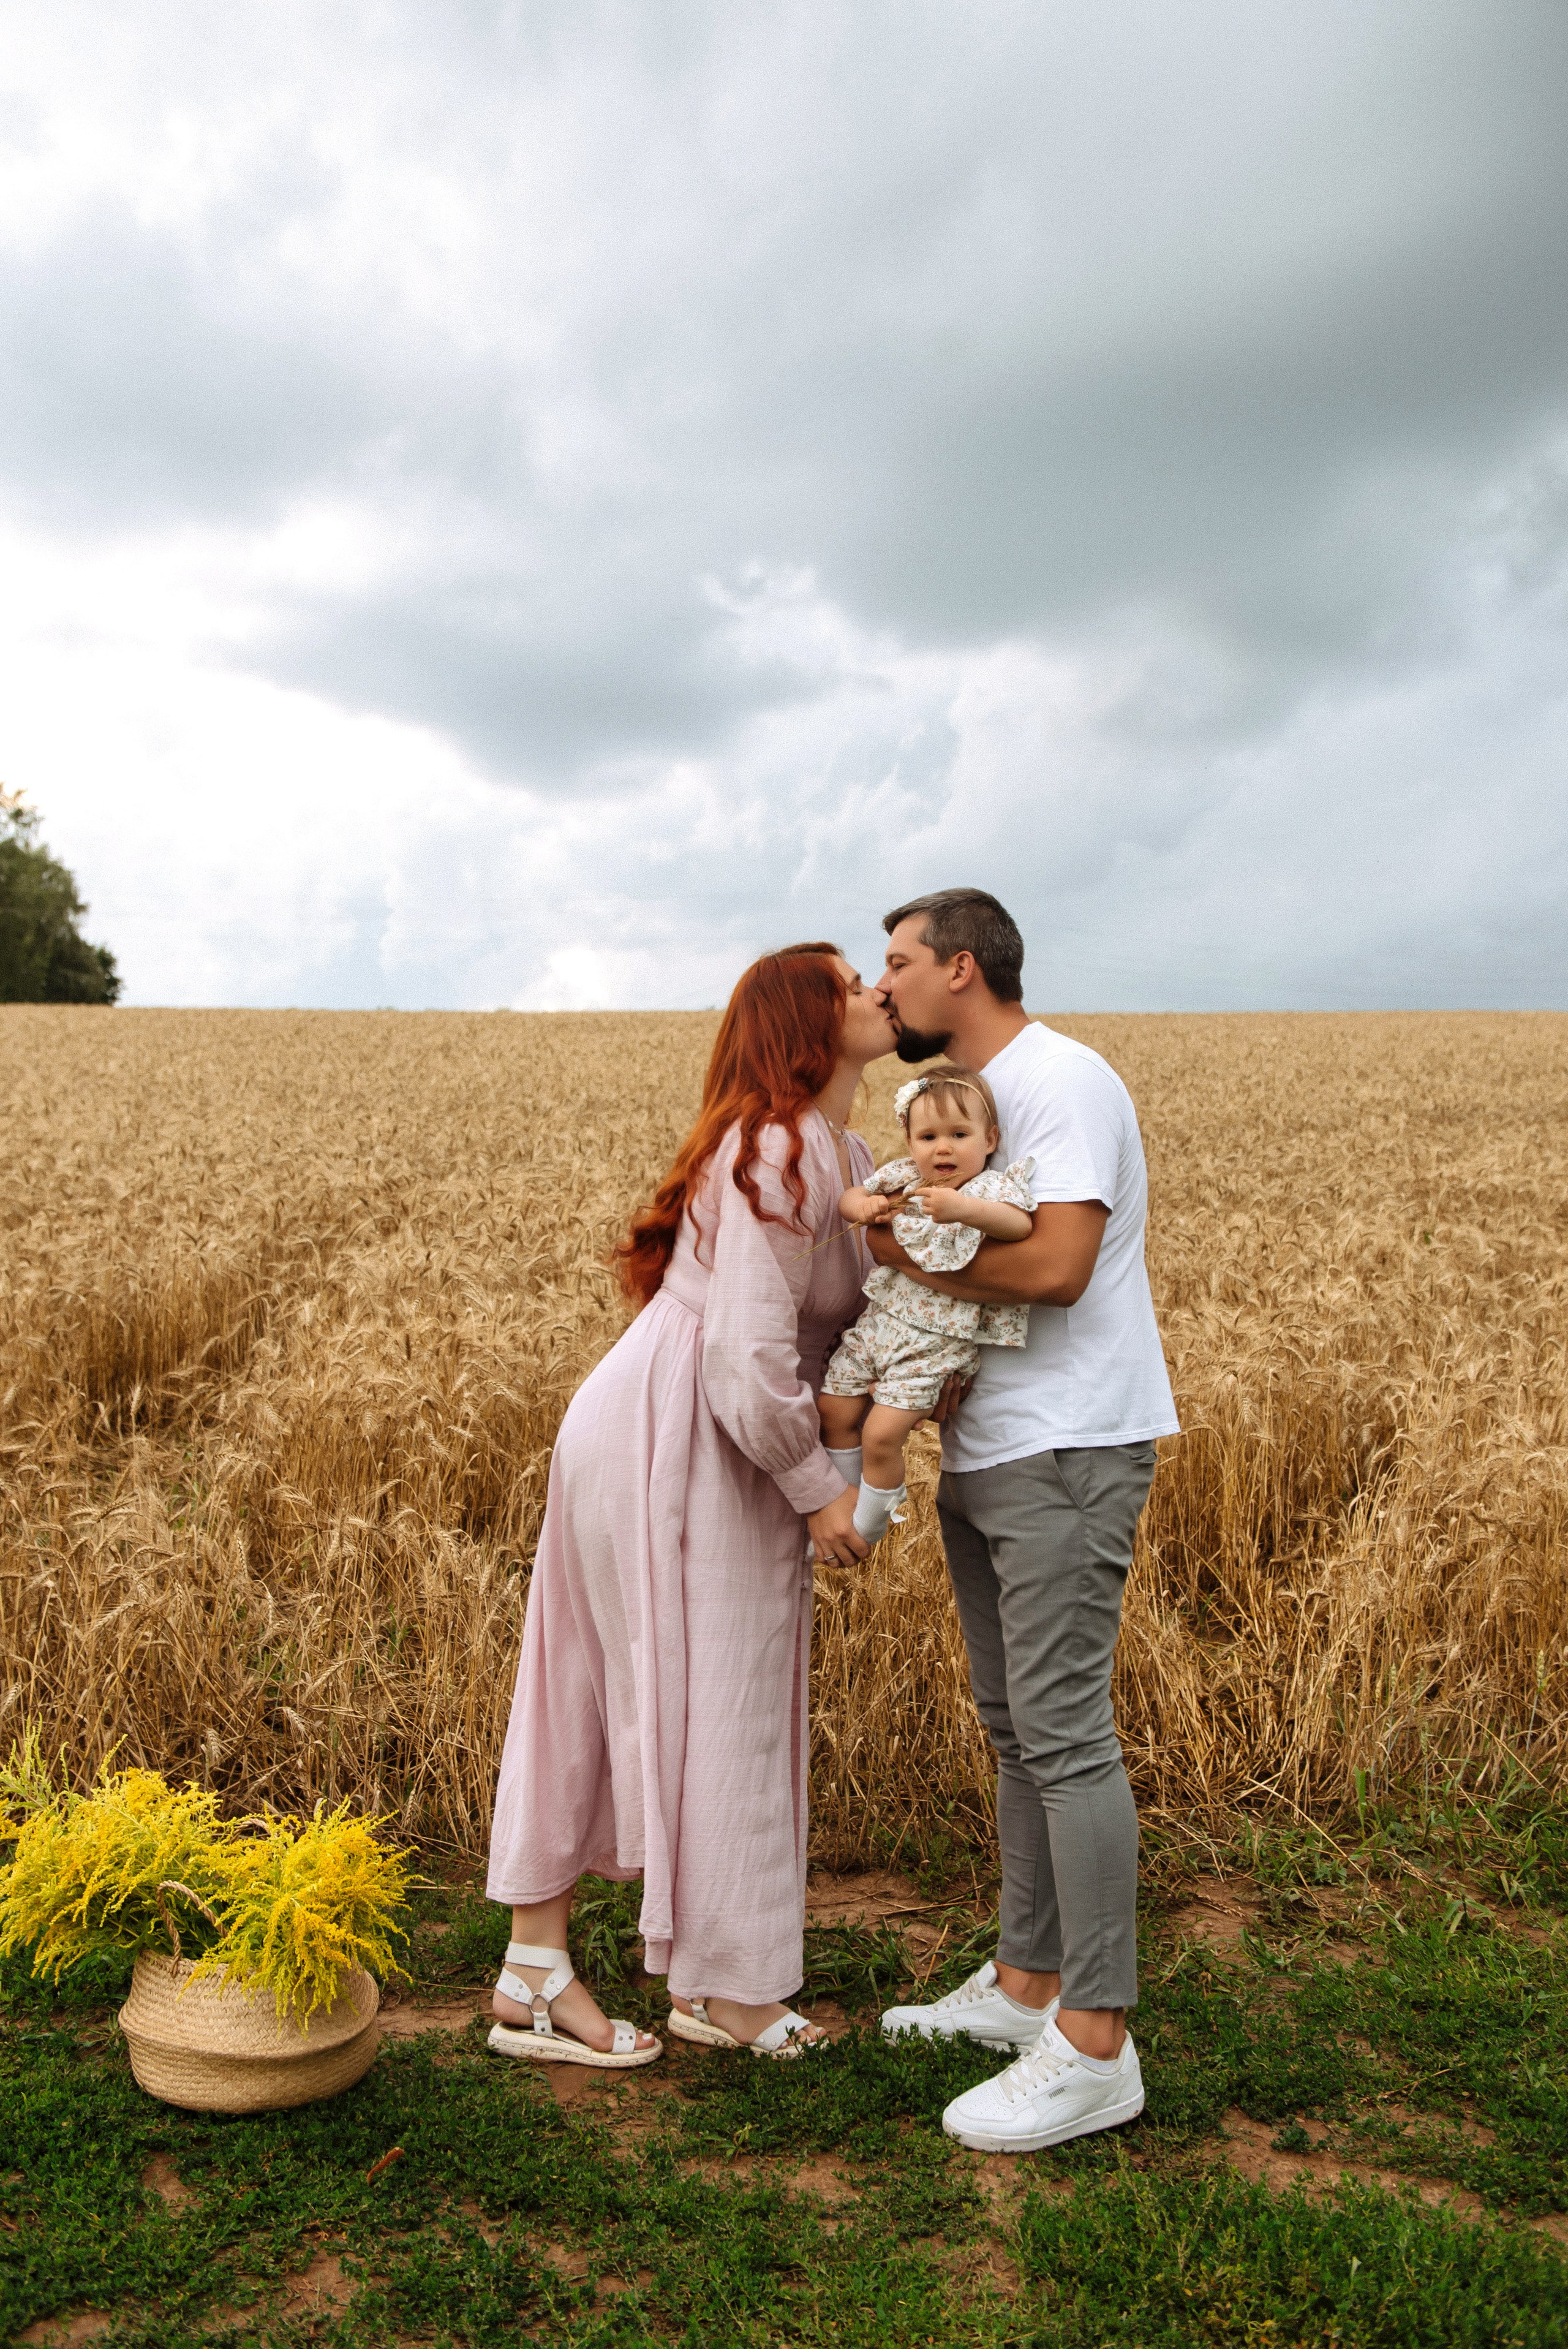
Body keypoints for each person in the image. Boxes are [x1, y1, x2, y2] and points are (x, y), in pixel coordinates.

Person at [484, 942, 890, 2066]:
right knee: (728, 1691)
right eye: (849, 981)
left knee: (603, 1675)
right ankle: (728, 1990)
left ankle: (536, 1968)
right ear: (806, 1020)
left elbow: (844, 1322)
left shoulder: (842, 1149)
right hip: (682, 1428)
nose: (874, 990)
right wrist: (817, 1489)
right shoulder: (778, 1143)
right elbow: (748, 1357)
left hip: (662, 1417)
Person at [870, 888, 1178, 2153]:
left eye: (897, 962)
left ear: (960, 968)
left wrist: (896, 1256)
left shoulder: (1062, 1081)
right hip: (996, 1443)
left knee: (1062, 1733)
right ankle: (1025, 1983)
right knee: (1014, 1728)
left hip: (1068, 1446)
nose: (881, 985)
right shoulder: (981, 1101)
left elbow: (1054, 1266)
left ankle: (1095, 2044)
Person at [818, 1063, 1035, 1545]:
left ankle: (866, 1528)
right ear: (910, 1141)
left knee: (880, 1436)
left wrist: (966, 1210)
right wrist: (862, 1207)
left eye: (959, 1134)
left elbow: (1019, 1225)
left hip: (937, 1342)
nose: (943, 1148)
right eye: (928, 1137)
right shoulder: (904, 1178)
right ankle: (843, 1499)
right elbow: (851, 1197)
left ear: (991, 1139)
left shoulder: (990, 1189)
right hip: (880, 1324)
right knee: (832, 1409)